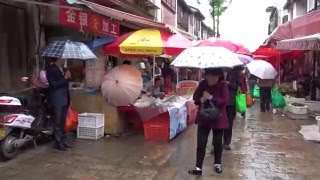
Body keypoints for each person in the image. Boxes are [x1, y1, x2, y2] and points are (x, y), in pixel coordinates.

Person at [188, 68, 229, 175]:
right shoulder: (203, 84)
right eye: (208, 76)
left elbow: (225, 101)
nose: (209, 78)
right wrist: (201, 99)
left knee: (217, 142)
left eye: (212, 76)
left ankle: (217, 164)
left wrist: (211, 97)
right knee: (201, 142)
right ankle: (198, 167)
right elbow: (195, 97)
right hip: (204, 117)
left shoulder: (223, 85)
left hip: (218, 117)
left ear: (218, 76)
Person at [46, 58, 72, 151]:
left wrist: (68, 76)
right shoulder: (51, 69)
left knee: (63, 121)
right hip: (57, 99)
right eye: (63, 58)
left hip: (65, 98)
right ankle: (58, 142)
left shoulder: (64, 69)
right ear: (58, 59)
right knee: (57, 121)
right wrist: (64, 78)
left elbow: (66, 83)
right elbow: (53, 85)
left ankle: (63, 139)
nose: (64, 60)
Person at [222, 67, 241, 151]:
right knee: (217, 123)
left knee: (229, 123)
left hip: (230, 102)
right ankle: (215, 143)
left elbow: (236, 87)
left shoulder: (234, 73)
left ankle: (226, 142)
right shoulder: (217, 72)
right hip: (219, 102)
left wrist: (228, 83)